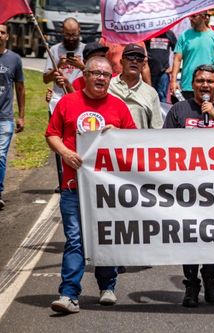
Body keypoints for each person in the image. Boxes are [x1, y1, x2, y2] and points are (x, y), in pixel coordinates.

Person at [46, 56, 137, 314]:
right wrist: (65, 152)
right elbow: (51, 134)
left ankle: (107, 286)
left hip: (106, 190)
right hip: (74, 186)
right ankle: (69, 294)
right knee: (75, 240)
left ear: (111, 78)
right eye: (95, 73)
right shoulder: (67, 102)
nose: (100, 78)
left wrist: (116, 136)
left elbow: (134, 139)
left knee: (105, 239)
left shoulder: (119, 107)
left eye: (106, 75)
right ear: (84, 75)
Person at [163, 65, 214, 307]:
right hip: (187, 188)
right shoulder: (179, 109)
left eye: (209, 81)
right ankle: (191, 283)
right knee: (189, 236)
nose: (204, 85)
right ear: (192, 84)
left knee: (212, 235)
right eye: (199, 81)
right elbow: (162, 145)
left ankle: (209, 277)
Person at [170, 11, 214, 101]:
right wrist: (173, 81)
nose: (190, 19)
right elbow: (177, 59)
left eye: (194, 16)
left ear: (203, 17)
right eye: (190, 16)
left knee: (207, 113)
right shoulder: (184, 36)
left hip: (208, 86)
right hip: (187, 86)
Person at [108, 44, 163, 129]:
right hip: (110, 141)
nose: (134, 61)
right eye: (130, 57)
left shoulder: (151, 93)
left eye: (139, 59)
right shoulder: (108, 86)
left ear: (143, 65)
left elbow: (157, 129)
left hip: (139, 141)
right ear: (122, 62)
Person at [0, 24, 25, 210]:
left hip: (5, 117)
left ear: (7, 36)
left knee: (0, 155)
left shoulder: (14, 59)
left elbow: (20, 88)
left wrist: (21, 115)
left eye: (1, 32)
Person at [43, 18, 85, 113]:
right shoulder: (54, 50)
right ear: (62, 32)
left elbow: (93, 75)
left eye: (74, 34)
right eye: (67, 35)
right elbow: (46, 79)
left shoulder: (86, 50)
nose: (71, 38)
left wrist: (81, 66)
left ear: (79, 30)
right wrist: (58, 65)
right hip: (58, 101)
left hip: (79, 99)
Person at [145, 30, 177, 102]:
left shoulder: (169, 34)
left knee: (162, 97)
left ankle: (161, 113)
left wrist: (172, 66)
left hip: (163, 72)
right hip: (148, 72)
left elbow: (178, 52)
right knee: (149, 97)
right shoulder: (148, 32)